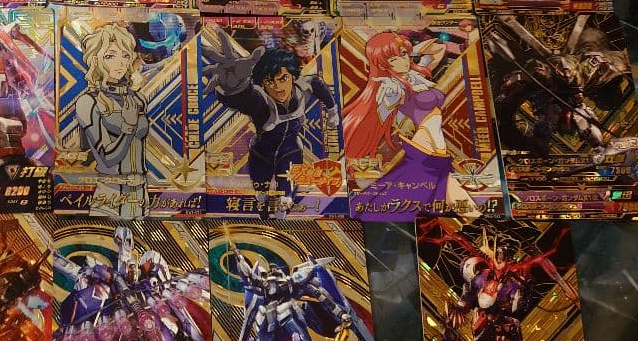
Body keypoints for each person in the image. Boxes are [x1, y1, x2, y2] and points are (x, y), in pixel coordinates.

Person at [202, 26, 339, 217]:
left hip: (291, 152)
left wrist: (332, 111)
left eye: (283, 79)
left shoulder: (304, 87)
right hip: (261, 154)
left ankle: (281, 213)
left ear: (293, 76)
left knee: (285, 201)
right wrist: (232, 86)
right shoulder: (260, 100)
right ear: (263, 83)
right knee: (262, 198)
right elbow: (242, 98)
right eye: (270, 81)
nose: (278, 87)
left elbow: (318, 84)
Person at [344, 31, 477, 219]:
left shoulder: (414, 76)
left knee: (450, 195)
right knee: (440, 194)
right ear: (382, 64)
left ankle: (479, 228)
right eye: (393, 59)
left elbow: (438, 49)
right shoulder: (392, 88)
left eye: (404, 55)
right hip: (425, 147)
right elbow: (380, 112)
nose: (403, 61)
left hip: (435, 147)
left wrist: (408, 49)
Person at [74, 24, 149, 218]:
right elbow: (107, 158)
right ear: (96, 60)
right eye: (110, 56)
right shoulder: (88, 102)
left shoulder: (138, 99)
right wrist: (128, 126)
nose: (120, 63)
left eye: (125, 55)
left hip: (141, 196)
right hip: (110, 195)